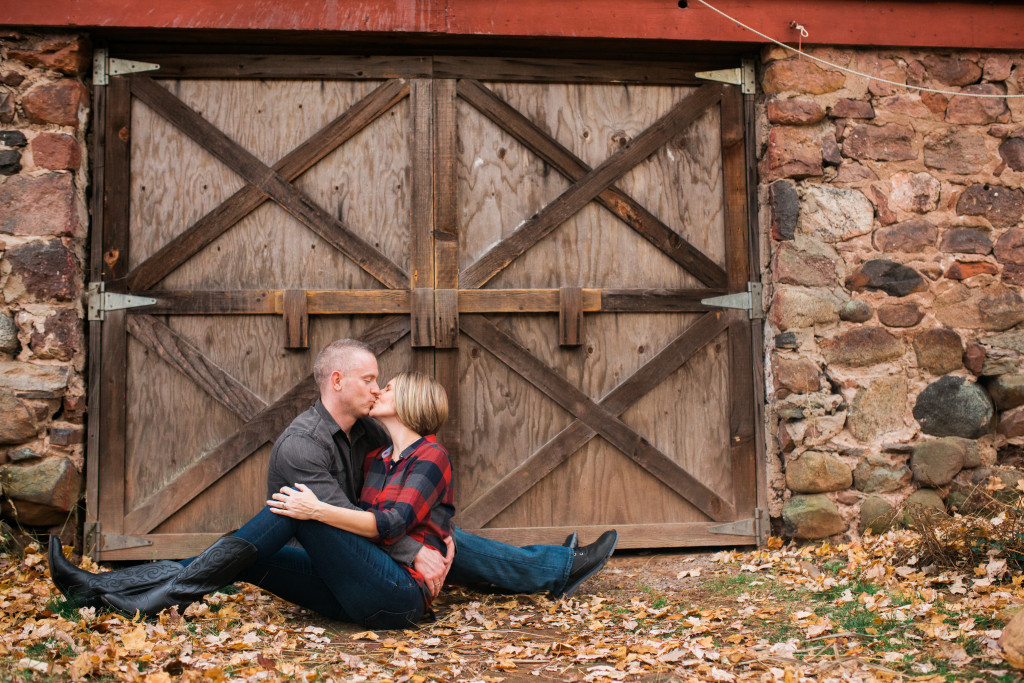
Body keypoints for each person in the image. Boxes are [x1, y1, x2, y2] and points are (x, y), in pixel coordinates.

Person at [49, 340, 617, 621]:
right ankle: (109, 591)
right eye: (371, 381)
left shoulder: (379, 437)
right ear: (339, 381)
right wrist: (420, 543)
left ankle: (549, 569)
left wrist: (426, 539)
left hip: (377, 567)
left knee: (310, 515)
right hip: (359, 562)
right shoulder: (305, 445)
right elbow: (372, 527)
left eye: (383, 385)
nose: (377, 389)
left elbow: (397, 512)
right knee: (282, 522)